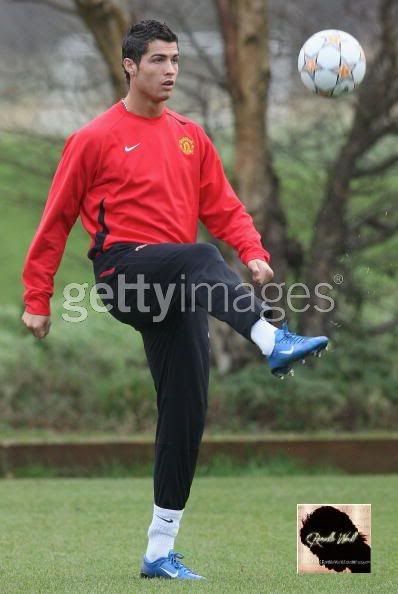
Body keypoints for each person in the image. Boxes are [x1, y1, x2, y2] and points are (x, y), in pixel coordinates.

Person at [21, 20, 328, 580]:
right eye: (159, 60)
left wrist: (253, 250)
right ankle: (271, 339)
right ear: (130, 66)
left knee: (186, 412)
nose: (170, 71)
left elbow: (226, 207)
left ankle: (159, 551)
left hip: (181, 284)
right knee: (198, 255)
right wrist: (37, 296)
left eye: (176, 60)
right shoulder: (93, 138)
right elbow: (56, 220)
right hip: (125, 276)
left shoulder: (191, 136)